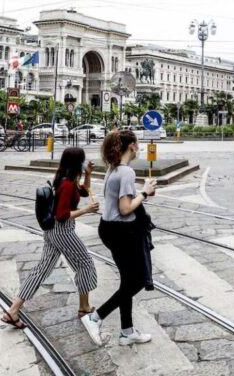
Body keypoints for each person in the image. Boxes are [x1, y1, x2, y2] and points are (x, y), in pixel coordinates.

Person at [1, 148, 99, 329]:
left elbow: (84, 192)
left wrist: (88, 174)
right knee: (85, 263)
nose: (85, 162)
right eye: (83, 160)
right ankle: (84, 307)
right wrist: (86, 210)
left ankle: (13, 310)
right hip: (63, 231)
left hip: (52, 232)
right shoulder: (67, 184)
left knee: (41, 269)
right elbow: (62, 215)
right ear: (77, 162)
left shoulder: (65, 179)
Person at [81, 130, 157, 346]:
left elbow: (120, 204)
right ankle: (95, 318)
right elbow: (125, 209)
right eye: (138, 143)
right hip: (121, 232)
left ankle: (127, 331)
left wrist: (141, 194)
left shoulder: (113, 168)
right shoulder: (126, 173)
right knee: (138, 280)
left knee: (128, 281)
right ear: (131, 146)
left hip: (109, 228)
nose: (140, 147)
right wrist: (145, 192)